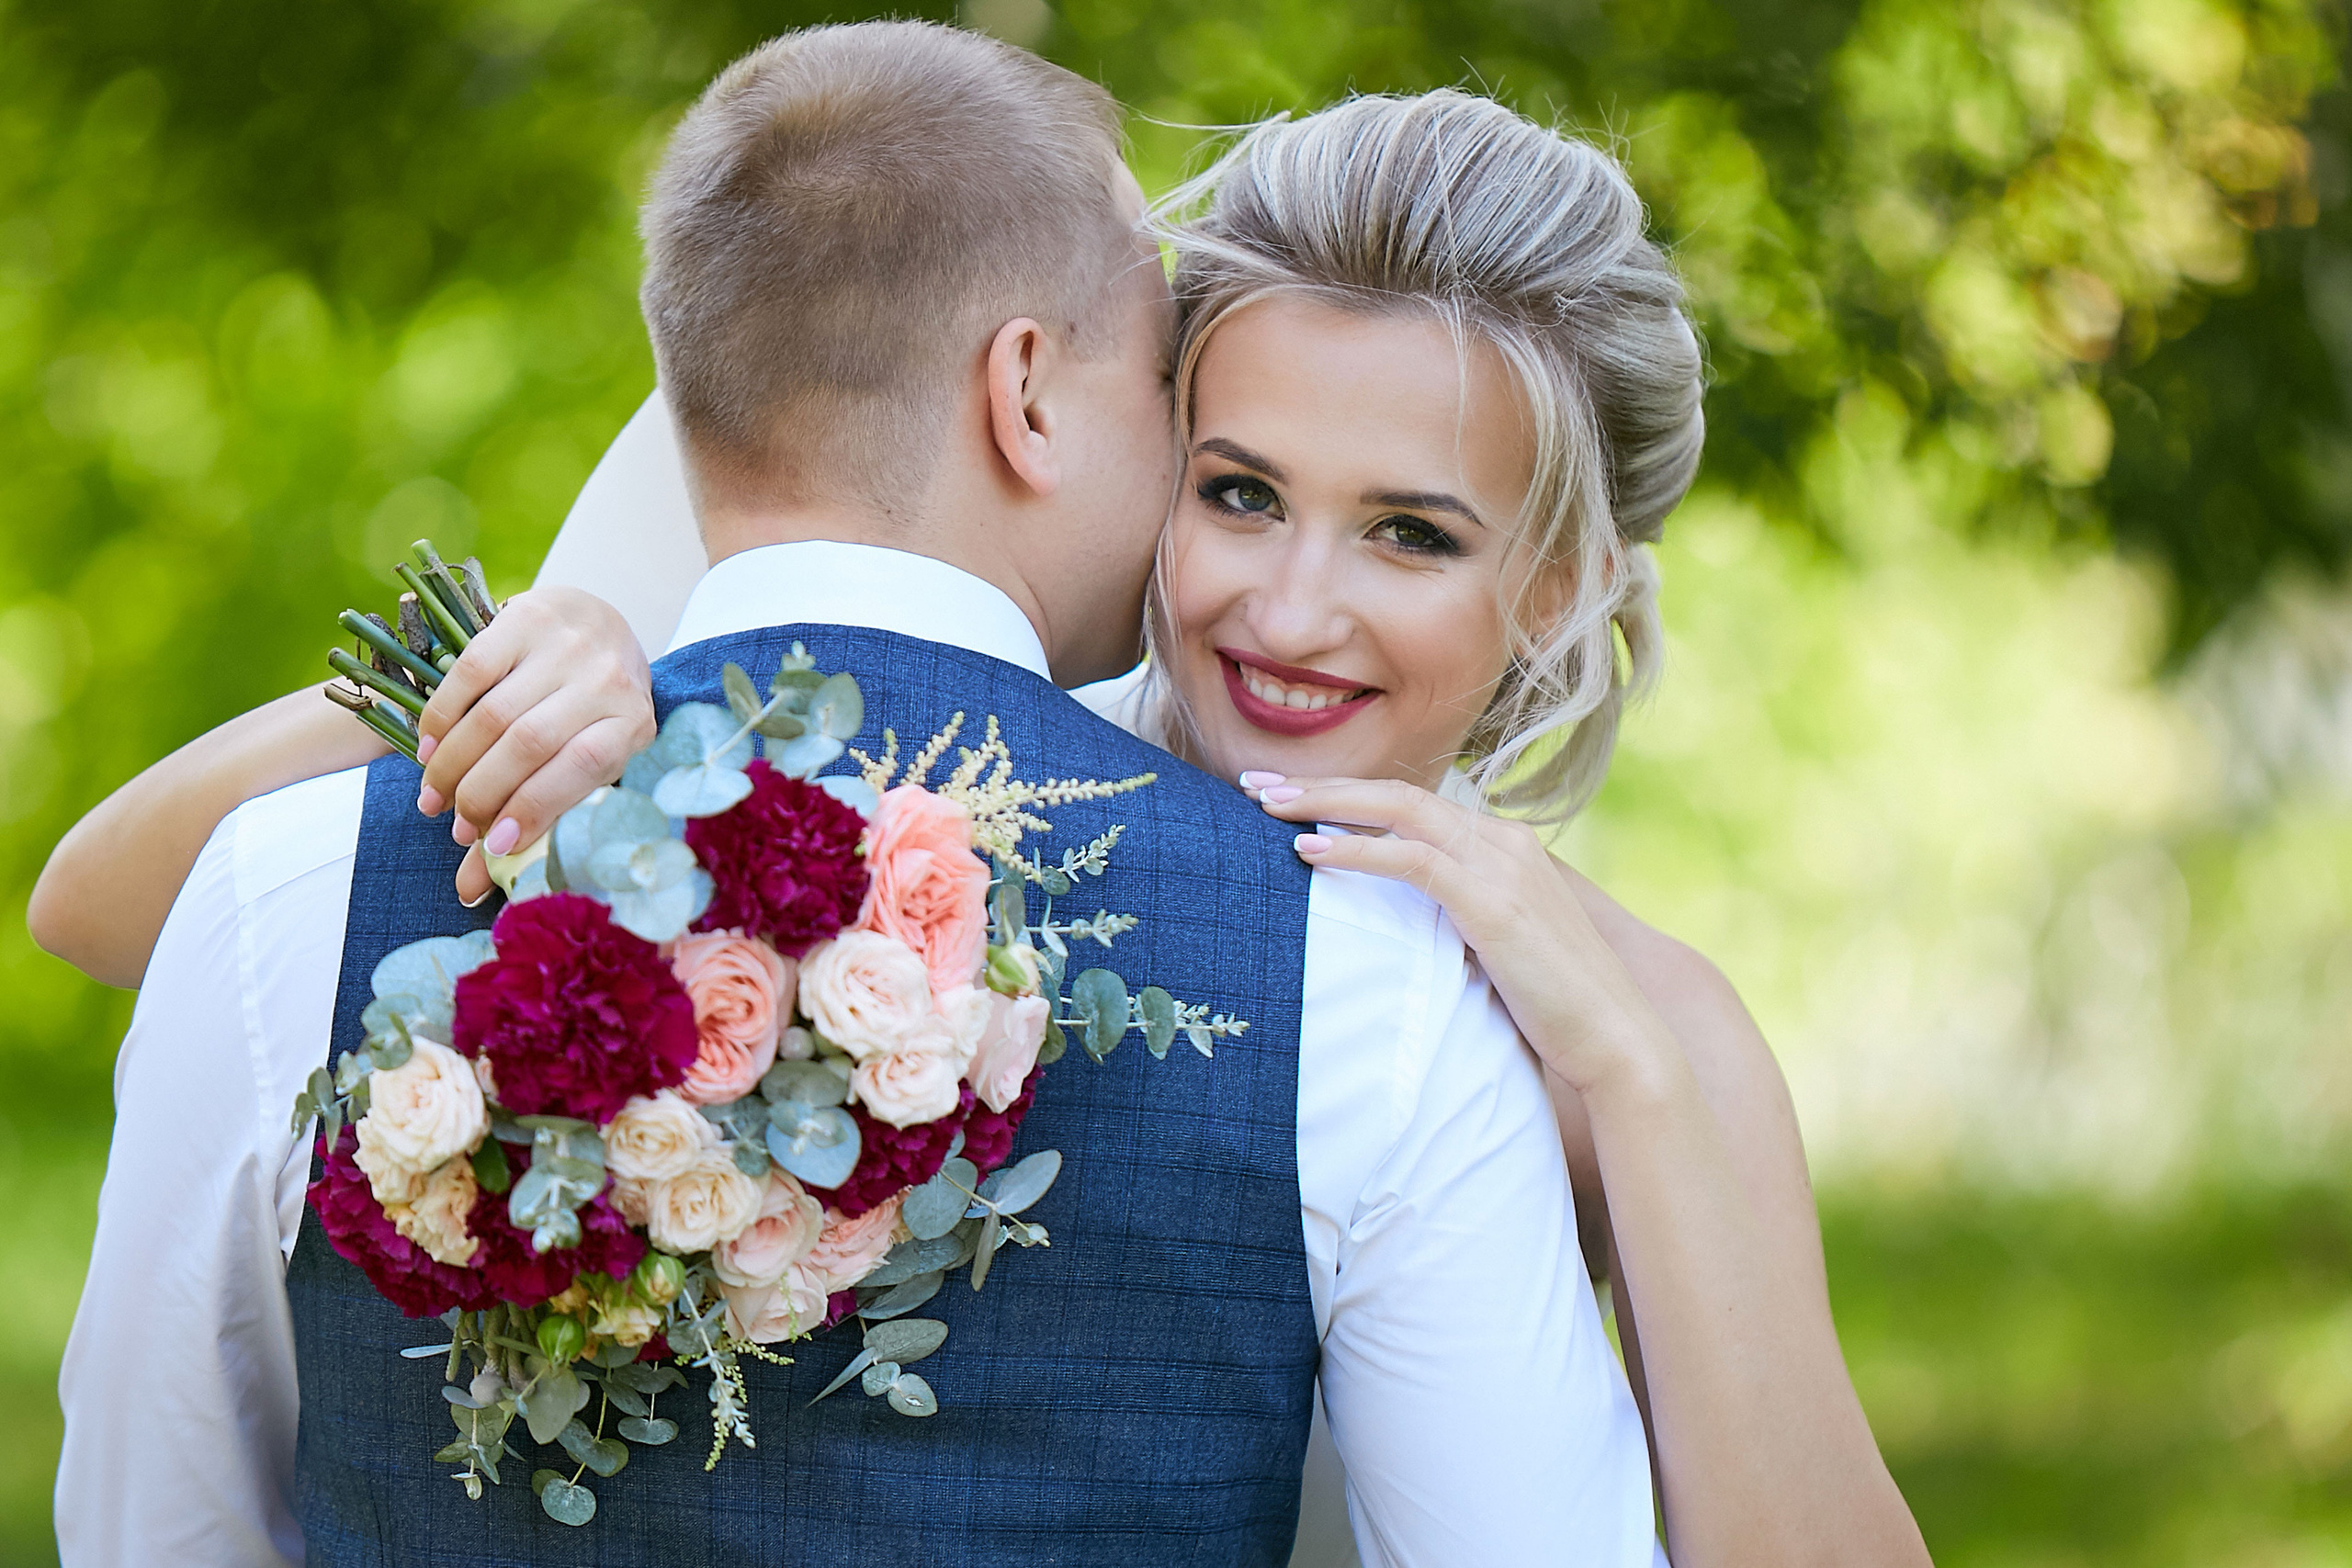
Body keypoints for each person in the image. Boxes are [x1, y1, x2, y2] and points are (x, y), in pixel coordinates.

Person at [47, 24, 1679, 1568]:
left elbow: (150, 1525)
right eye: (1180, 414)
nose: (1260, 574)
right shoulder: (1360, 978)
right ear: (1028, 393)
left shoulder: (287, 886)